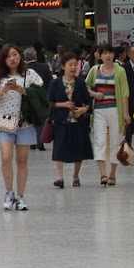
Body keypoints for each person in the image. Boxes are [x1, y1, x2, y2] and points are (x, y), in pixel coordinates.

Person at [0, 44, 43, 211]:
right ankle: (9, 192)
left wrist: (23, 90)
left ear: (20, 57)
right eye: (9, 56)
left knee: (22, 160)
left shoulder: (30, 74)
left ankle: (21, 196)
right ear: (3, 59)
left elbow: (40, 91)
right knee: (5, 157)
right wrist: (4, 89)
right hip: (4, 121)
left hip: (25, 122)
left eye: (15, 54)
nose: (13, 58)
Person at [47, 53, 92, 187]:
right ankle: (59, 178)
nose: (73, 68)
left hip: (78, 121)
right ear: (63, 66)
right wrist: (63, 105)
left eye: (75, 65)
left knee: (78, 149)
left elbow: (88, 102)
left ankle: (75, 176)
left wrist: (84, 110)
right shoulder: (55, 83)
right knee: (59, 148)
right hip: (61, 121)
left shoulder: (80, 83)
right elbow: (49, 102)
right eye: (70, 65)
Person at [86, 45, 128, 186]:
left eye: (110, 53)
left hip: (115, 109)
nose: (108, 56)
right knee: (99, 140)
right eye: (105, 53)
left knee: (116, 140)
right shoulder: (94, 70)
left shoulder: (120, 71)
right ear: (100, 55)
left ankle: (112, 173)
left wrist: (126, 113)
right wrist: (94, 94)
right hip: (99, 110)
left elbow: (124, 94)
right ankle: (103, 173)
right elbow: (85, 86)